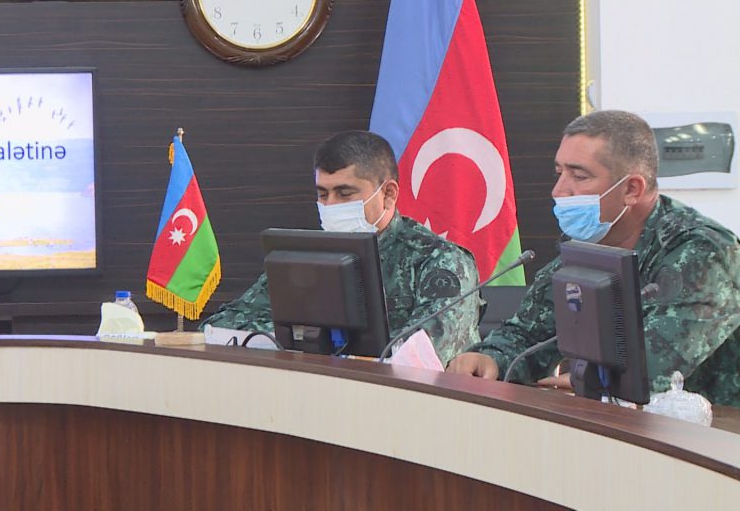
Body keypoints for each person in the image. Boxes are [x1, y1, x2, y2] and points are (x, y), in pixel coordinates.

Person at [447, 110, 740, 406]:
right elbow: (530, 333)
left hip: (714, 428)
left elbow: (651, 366)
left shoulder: (704, 251)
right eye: (559, 173)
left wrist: (582, 378)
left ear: (631, 189)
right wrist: (490, 358)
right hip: (621, 424)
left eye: (579, 176)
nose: (559, 191)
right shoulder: (589, 242)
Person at [201, 130, 481, 363]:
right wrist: (307, 338)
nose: (330, 205)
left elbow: (421, 354)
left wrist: (314, 342)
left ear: (388, 193)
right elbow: (220, 327)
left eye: (344, 193)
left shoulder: (439, 260)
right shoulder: (308, 256)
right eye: (323, 194)